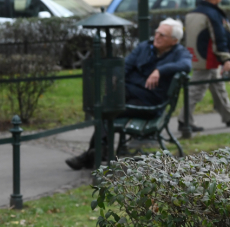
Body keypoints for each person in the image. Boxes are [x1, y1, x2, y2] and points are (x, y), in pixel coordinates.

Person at [66, 18, 192, 169]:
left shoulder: (179, 53)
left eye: (162, 35)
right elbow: (125, 65)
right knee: (105, 108)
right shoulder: (144, 47)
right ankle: (98, 150)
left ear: (174, 40)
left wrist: (160, 70)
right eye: (157, 32)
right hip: (128, 93)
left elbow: (186, 65)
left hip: (148, 102)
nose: (157, 36)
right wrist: (115, 80)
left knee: (107, 112)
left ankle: (95, 153)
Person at [180, 0, 230, 132]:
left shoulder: (193, 13)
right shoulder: (212, 14)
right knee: (196, 90)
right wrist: (226, 58)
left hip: (197, 56)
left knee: (218, 86)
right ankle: (184, 121)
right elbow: (218, 37)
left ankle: (229, 115)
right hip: (208, 59)